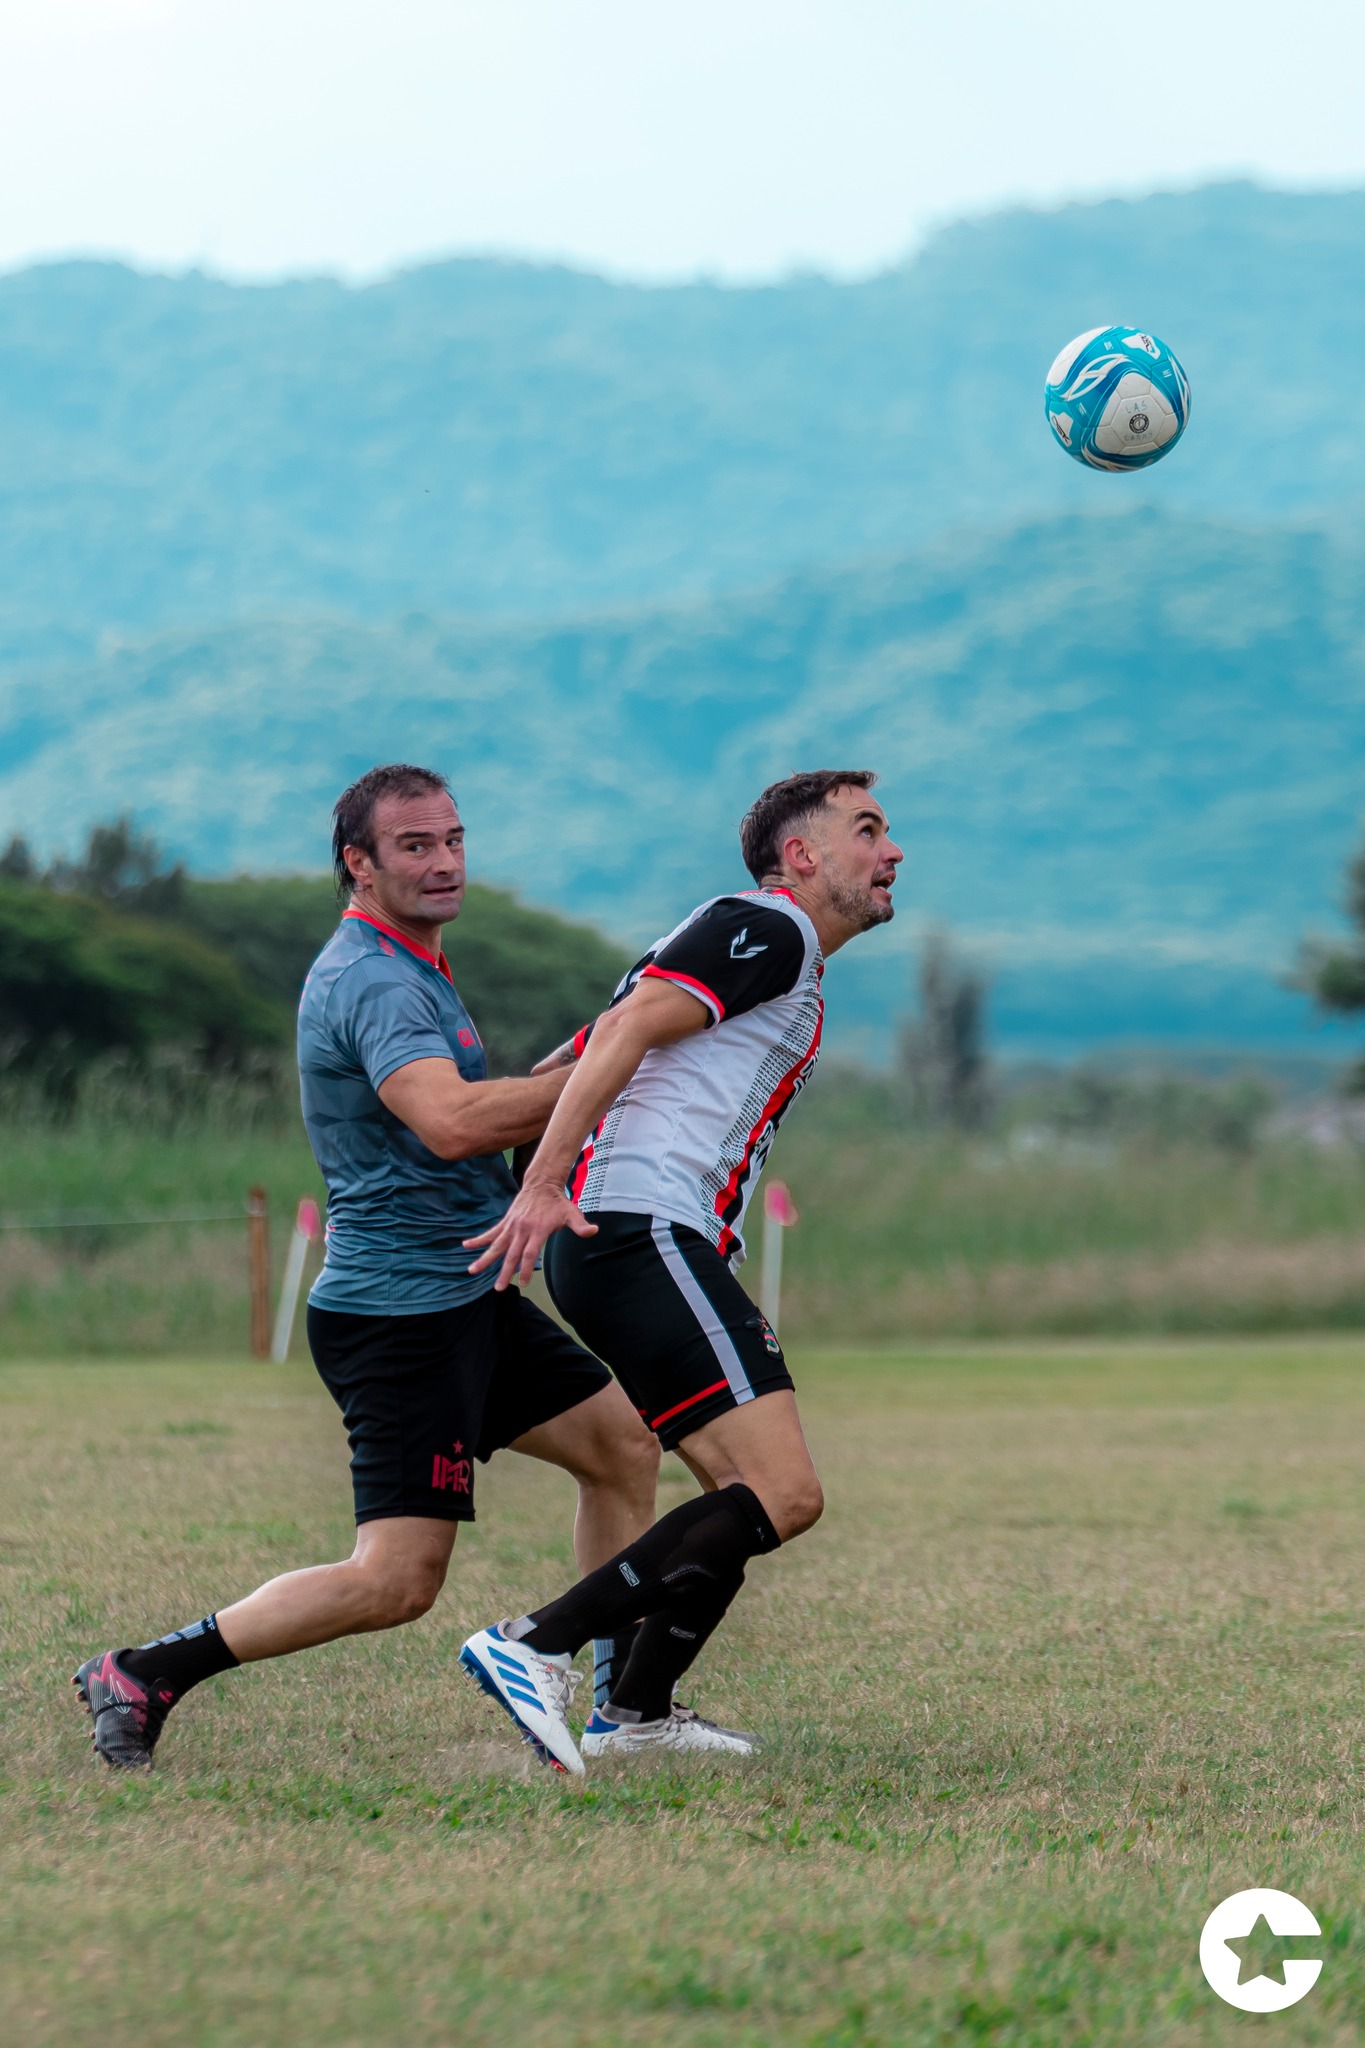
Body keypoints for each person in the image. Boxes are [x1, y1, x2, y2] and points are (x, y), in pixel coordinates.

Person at [73, 764, 659, 1778]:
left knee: (621, 1448)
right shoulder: (375, 977)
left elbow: (479, 1117)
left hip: (467, 1288)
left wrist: (582, 1066)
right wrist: (608, 1070)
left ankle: (620, 1705)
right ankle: (142, 1670)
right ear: (360, 862)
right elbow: (450, 1122)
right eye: (415, 846)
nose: (443, 863)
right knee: (396, 1580)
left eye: (454, 840)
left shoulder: (412, 961)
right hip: (403, 1314)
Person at [459, 770, 902, 1764]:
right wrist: (538, 1187)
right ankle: (533, 1642)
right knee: (783, 1491)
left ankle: (634, 1711)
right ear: (802, 856)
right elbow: (617, 1035)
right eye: (867, 830)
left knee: (729, 1495)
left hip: (622, 1238)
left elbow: (567, 1064)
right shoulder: (771, 924)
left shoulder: (749, 950)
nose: (892, 851)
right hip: (636, 1229)